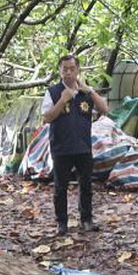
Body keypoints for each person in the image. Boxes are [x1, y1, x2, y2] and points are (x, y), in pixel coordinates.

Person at [41, 54, 109, 235]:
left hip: (83, 147)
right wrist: (63, 99)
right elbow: (47, 118)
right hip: (61, 148)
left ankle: (86, 219)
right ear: (59, 71)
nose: (69, 73)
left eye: (72, 69)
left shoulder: (86, 93)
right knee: (60, 186)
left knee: (86, 184)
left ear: (78, 70)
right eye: (65, 69)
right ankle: (61, 222)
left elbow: (105, 109)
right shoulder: (53, 92)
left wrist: (91, 91)